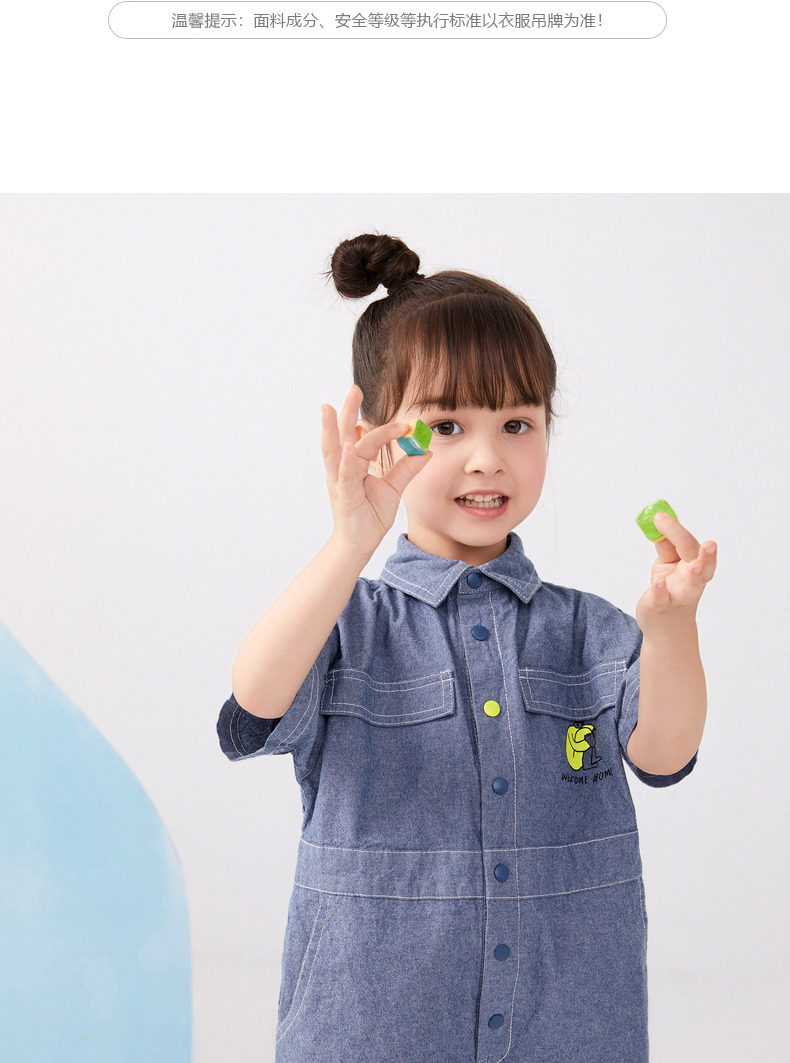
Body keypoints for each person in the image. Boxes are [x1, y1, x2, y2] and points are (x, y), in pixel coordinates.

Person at [217, 233, 717, 1063]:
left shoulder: (590, 633)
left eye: (517, 422)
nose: (488, 458)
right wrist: (349, 542)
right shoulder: (347, 622)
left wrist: (672, 628)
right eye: (446, 424)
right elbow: (254, 703)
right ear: (380, 438)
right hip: (371, 1033)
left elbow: (665, 754)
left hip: (569, 1032)